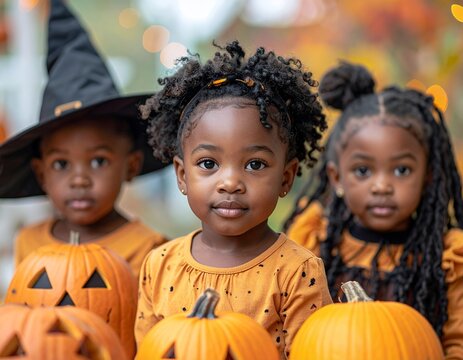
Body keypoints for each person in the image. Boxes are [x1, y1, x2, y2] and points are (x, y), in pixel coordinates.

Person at [134, 41, 332, 358]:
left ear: (286, 177)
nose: (230, 183)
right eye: (209, 164)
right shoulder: (160, 267)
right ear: (182, 176)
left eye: (255, 164)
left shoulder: (298, 272)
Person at [284, 60, 463, 357]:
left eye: (402, 170)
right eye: (364, 171)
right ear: (337, 178)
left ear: (428, 176)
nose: (382, 186)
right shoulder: (314, 240)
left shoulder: (449, 256)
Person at [0, 0, 167, 277]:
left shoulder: (151, 251)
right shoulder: (28, 244)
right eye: (61, 164)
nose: (79, 179)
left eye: (99, 161)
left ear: (132, 165)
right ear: (41, 174)